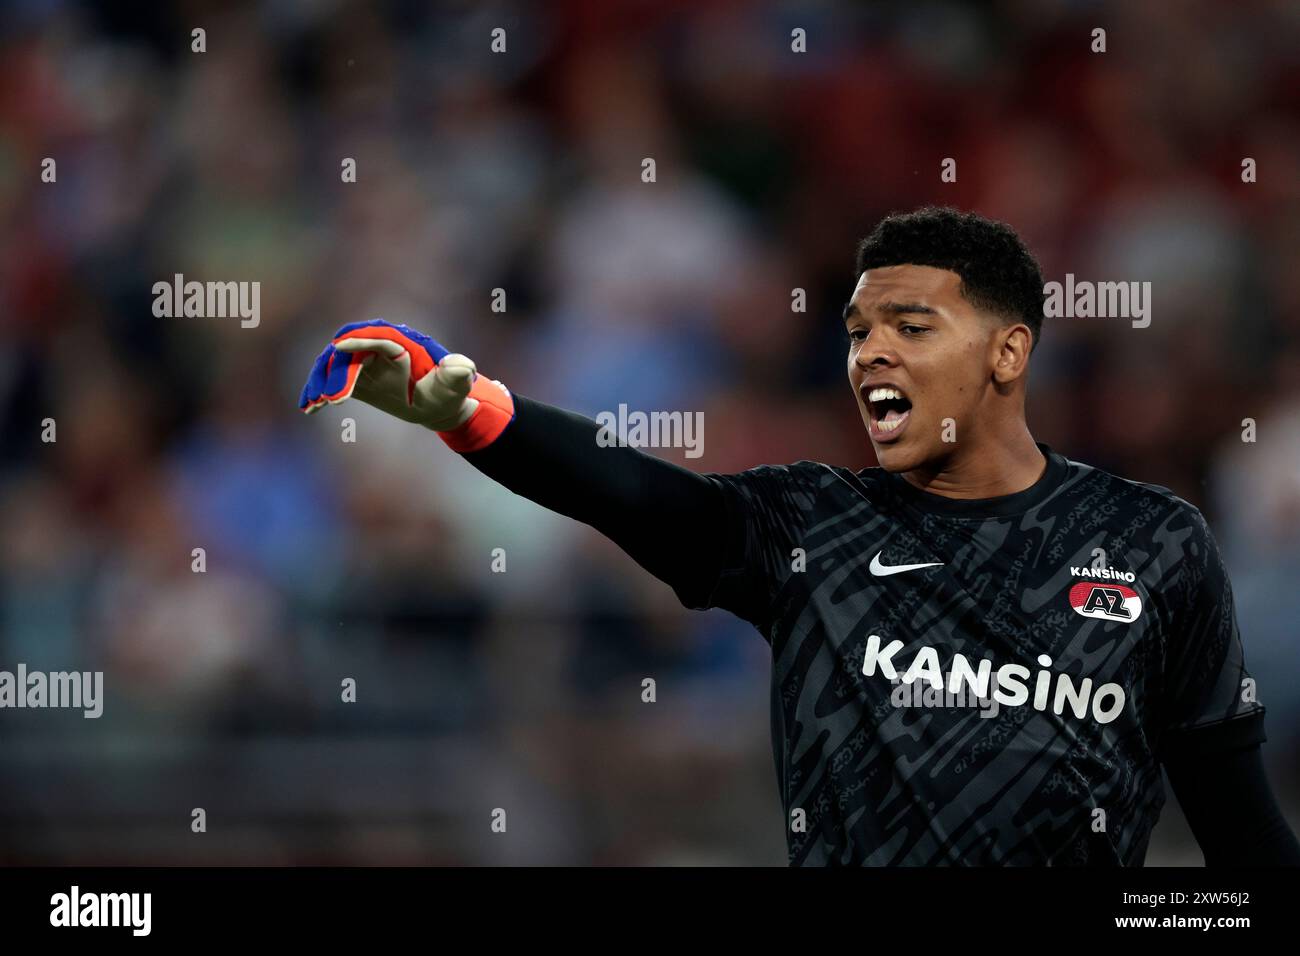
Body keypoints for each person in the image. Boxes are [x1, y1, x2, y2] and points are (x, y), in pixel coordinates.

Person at [300, 206, 1300, 866]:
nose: (871, 355)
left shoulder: (1153, 544)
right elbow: (637, 494)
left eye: (911, 328)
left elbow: (1243, 850)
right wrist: (472, 410)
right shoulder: (814, 526)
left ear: (1007, 351)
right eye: (861, 331)